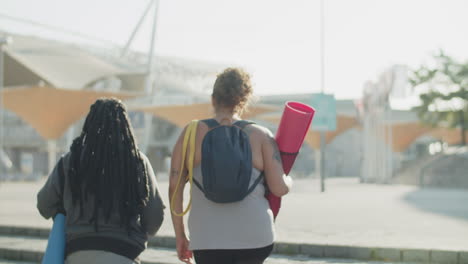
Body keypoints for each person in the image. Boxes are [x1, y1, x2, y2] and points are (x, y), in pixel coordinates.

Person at [169, 68, 293, 264]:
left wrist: (180, 236)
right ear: (244, 100)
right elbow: (279, 188)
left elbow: (174, 188)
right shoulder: (261, 135)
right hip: (255, 237)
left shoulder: (190, 134)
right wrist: (289, 180)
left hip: (207, 239)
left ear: (213, 98)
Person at [37, 98, 165, 264]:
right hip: (125, 253)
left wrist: (68, 210)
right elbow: (155, 216)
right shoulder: (137, 162)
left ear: (90, 125)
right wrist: (139, 233)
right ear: (125, 126)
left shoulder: (70, 162)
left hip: (78, 252)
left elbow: (44, 205)